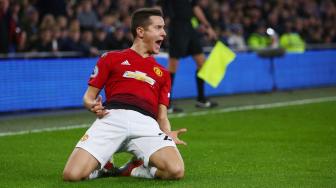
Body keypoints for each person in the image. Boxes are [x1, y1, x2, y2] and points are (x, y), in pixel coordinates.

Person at [62, 8, 187, 181]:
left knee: (175, 171)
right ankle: (103, 167)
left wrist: (167, 135)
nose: (164, 33)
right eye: (158, 27)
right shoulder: (110, 58)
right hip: (112, 118)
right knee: (71, 175)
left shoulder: (163, 73)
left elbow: (162, 115)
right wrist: (92, 105)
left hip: (146, 124)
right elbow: (88, 97)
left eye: (163, 28)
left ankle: (135, 169)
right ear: (140, 31)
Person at [158, 0, 218, 113]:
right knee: (173, 65)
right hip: (176, 27)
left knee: (201, 63)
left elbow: (195, 7)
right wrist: (159, 27)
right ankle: (166, 104)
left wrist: (207, 26)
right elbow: (159, 7)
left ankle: (201, 99)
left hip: (189, 27)